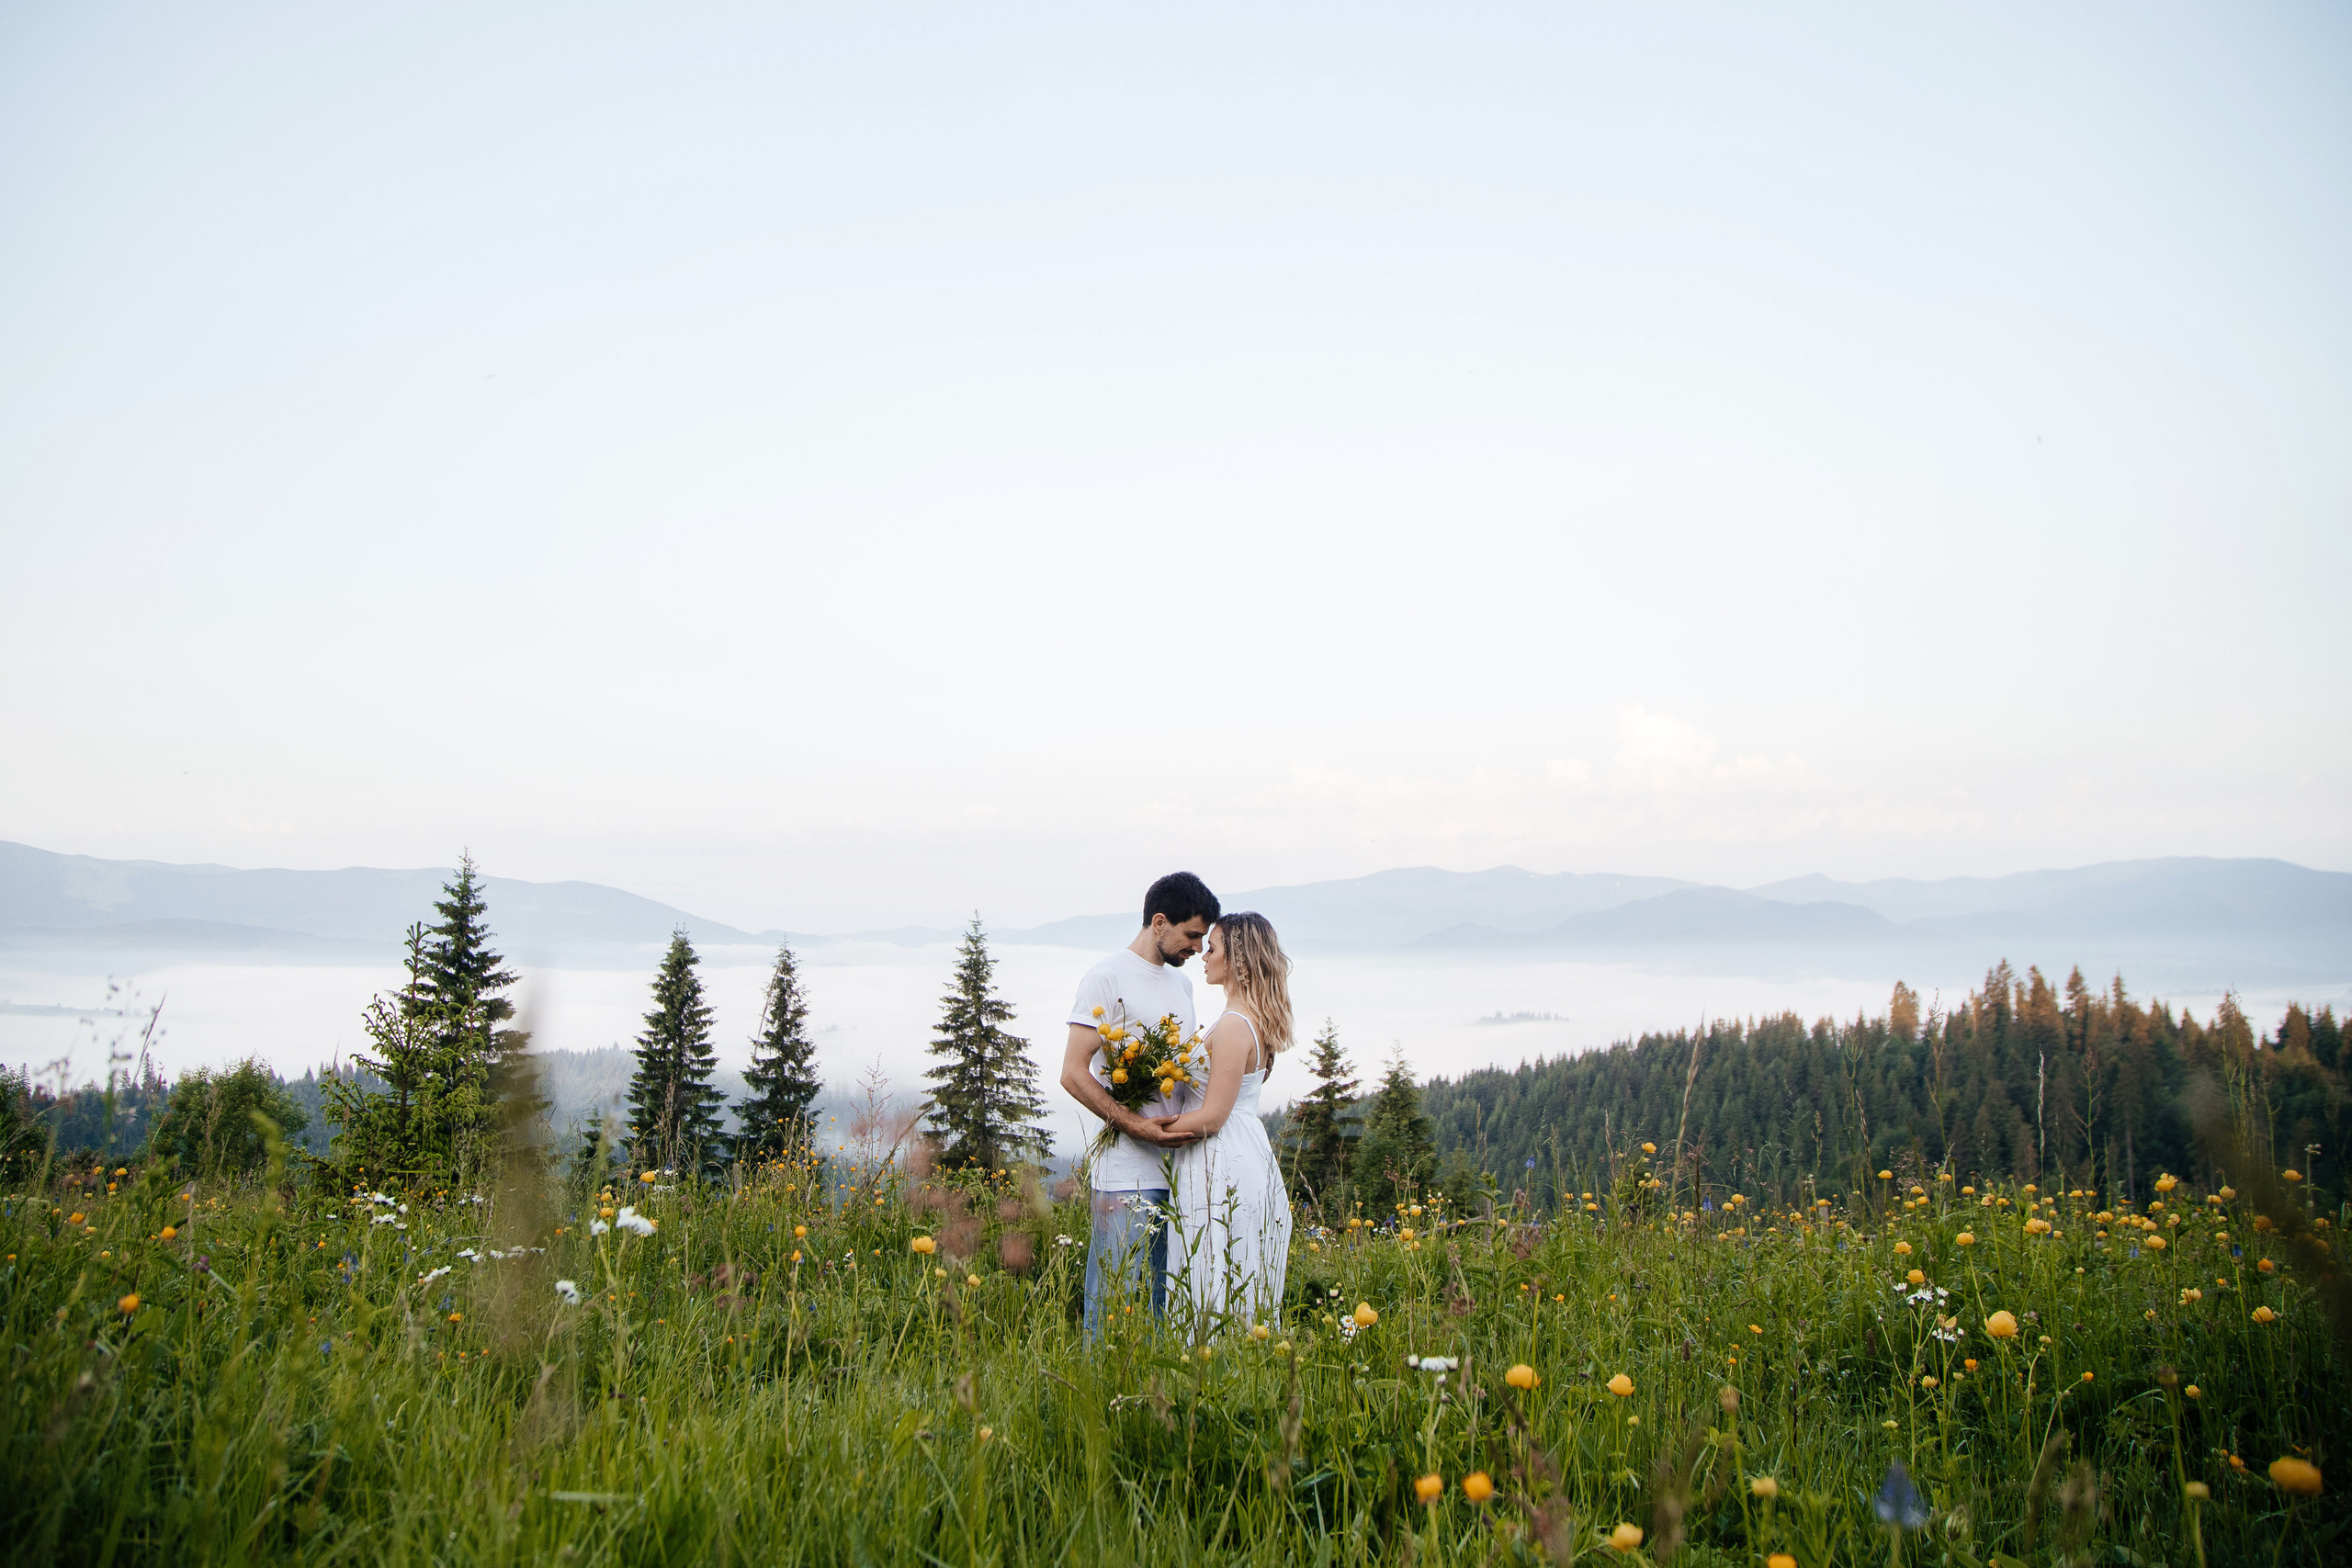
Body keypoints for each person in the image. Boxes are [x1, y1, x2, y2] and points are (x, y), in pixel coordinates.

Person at [1058, 871, 1220, 1337]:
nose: (1197, 948)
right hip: (1124, 1174)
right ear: (1159, 922)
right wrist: (1134, 1125)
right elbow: (1073, 1073)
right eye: (1192, 935)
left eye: (1203, 939)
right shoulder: (1105, 977)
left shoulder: (1182, 987)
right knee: (1111, 1301)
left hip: (1180, 1171)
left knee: (1165, 1306)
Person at [1157, 910, 1295, 1337]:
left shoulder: (1235, 1025)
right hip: (1242, 1146)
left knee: (1213, 1261)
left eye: (1213, 949)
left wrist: (1143, 1128)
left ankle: (1208, 1351)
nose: (1204, 955)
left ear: (1237, 960)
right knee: (1227, 1263)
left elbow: (1214, 1116)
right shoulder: (1248, 1017)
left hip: (1221, 1156)